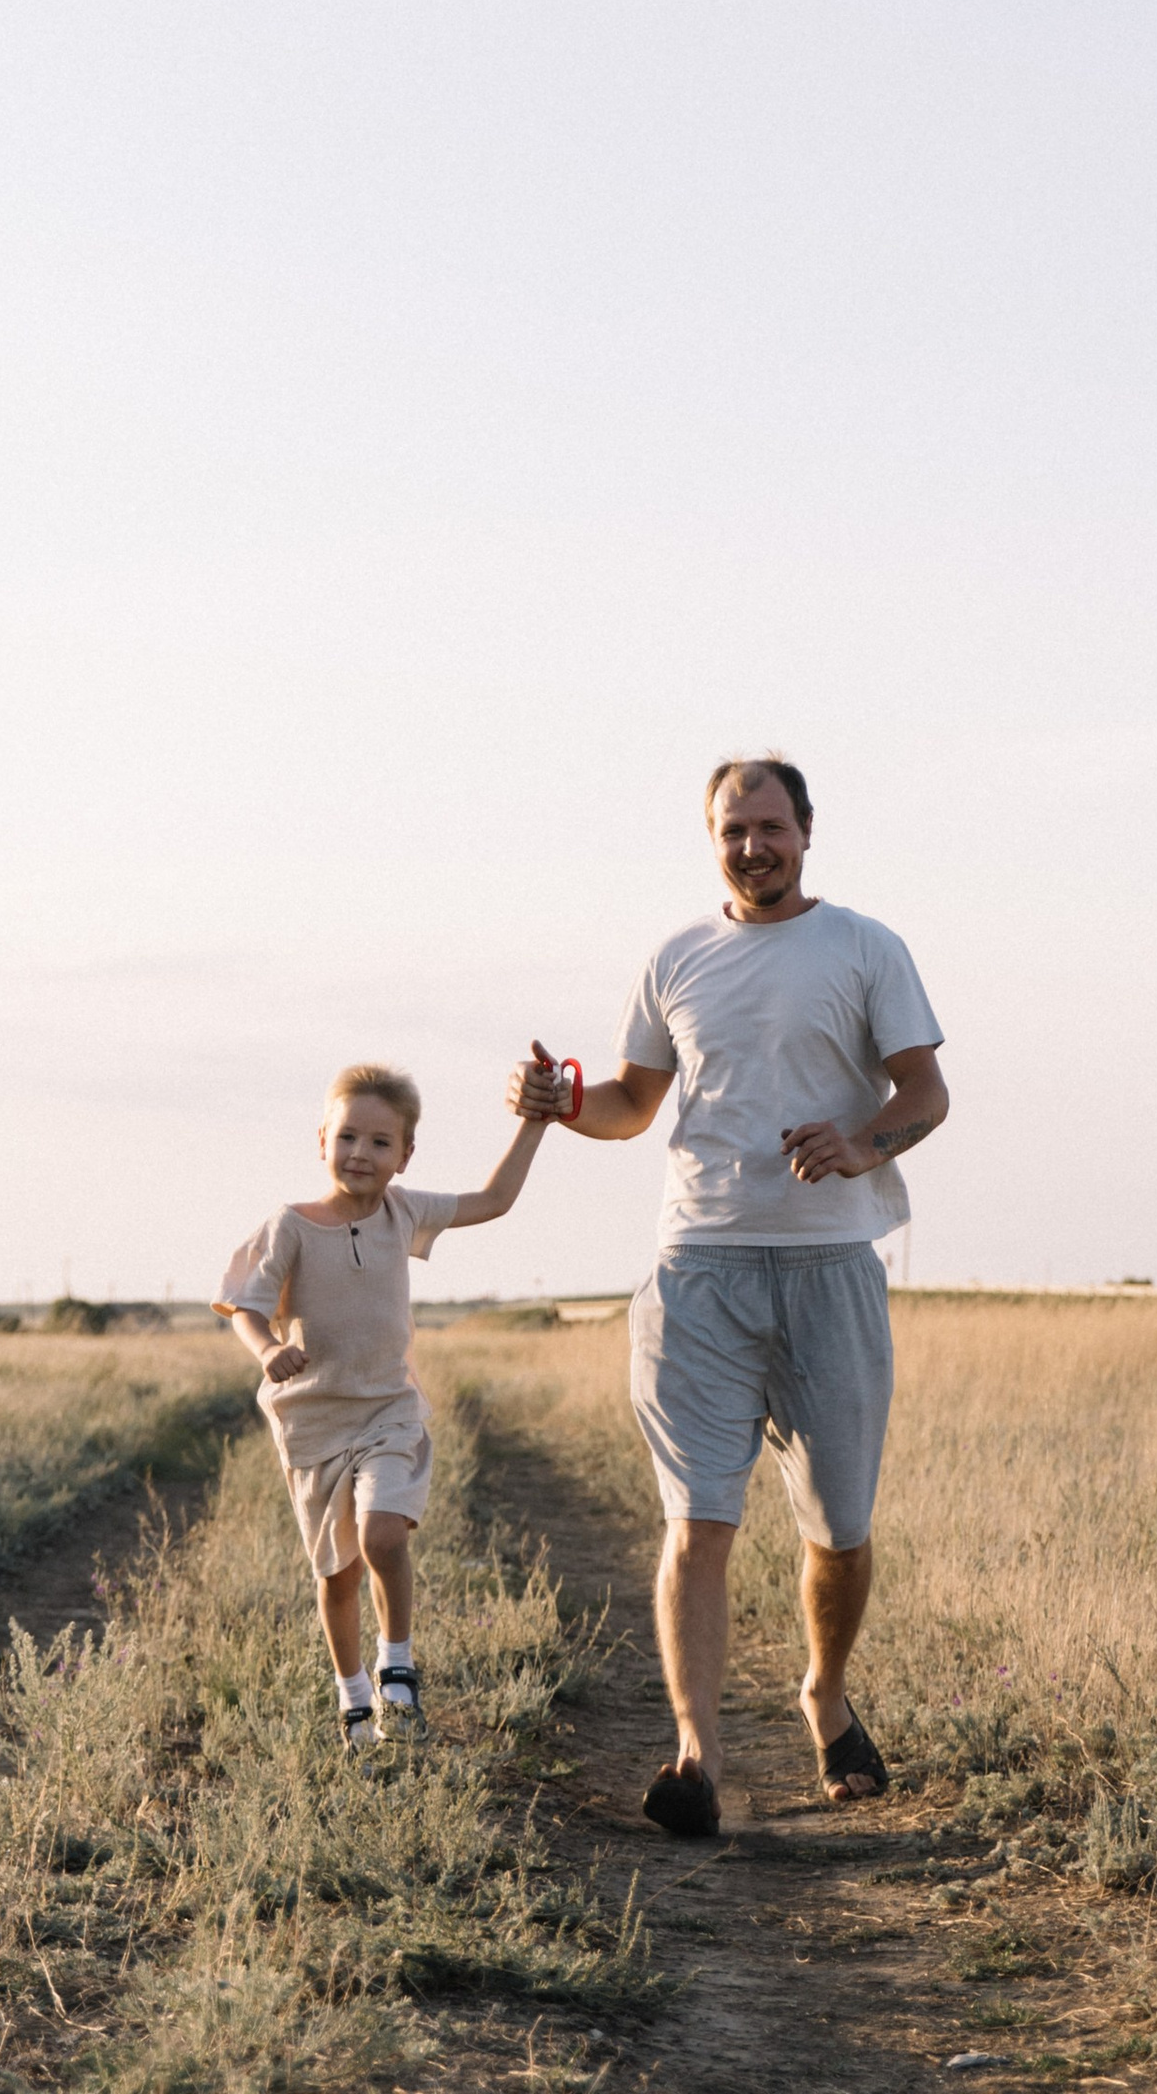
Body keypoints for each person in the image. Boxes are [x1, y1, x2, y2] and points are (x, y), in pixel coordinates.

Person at [509, 753, 947, 1838]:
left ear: (805, 832)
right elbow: (631, 1105)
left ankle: (824, 1692)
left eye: (769, 826)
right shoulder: (675, 956)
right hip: (695, 1268)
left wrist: (861, 1141)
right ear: (711, 839)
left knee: (838, 1528)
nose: (752, 845)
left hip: (829, 1268)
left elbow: (925, 1089)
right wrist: (564, 1101)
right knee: (696, 1519)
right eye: (731, 829)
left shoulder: (863, 946)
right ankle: (695, 1756)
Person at [218, 1058, 548, 1748]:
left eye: (377, 1141)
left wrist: (534, 1121)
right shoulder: (292, 1225)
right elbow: (244, 1305)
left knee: (382, 1534)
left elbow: (493, 1199)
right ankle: (354, 1695)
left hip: (388, 1411)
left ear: (404, 1153)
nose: (359, 1153)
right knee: (336, 1574)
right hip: (313, 1422)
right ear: (321, 1141)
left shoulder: (407, 1212)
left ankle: (397, 1662)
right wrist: (266, 1347)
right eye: (346, 1137)